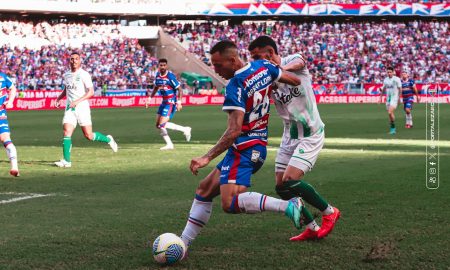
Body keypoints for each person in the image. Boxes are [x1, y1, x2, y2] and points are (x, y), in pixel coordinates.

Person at [180, 40, 304, 254]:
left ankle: (288, 206)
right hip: (250, 145)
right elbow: (294, 81)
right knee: (204, 189)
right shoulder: (264, 67)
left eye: (218, 65)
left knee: (229, 203)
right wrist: (271, 81)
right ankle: (182, 243)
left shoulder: (235, 86)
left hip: (246, 149)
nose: (215, 70)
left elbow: (234, 130)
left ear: (232, 60)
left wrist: (206, 157)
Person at [248, 36, 340, 241]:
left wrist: (277, 72)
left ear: (270, 53)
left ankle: (329, 212)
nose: (254, 61)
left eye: (256, 57)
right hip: (289, 135)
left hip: (310, 134)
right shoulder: (265, 78)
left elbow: (301, 61)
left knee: (291, 180)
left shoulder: (293, 61)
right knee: (281, 186)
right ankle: (312, 227)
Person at [54, 52, 118, 168]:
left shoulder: (84, 74)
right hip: (70, 108)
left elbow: (91, 92)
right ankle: (67, 161)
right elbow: (66, 89)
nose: (74, 61)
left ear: (80, 61)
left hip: (82, 108)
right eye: (72, 59)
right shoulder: (67, 75)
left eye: (76, 59)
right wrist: (59, 98)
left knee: (88, 135)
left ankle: (108, 139)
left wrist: (77, 101)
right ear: (69, 61)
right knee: (66, 132)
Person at [147, 59, 191, 150]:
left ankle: (180, 134)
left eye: (164, 65)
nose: (162, 67)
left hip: (171, 102)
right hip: (164, 102)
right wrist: (150, 98)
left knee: (162, 125)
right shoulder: (158, 76)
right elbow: (156, 87)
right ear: (158, 66)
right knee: (158, 125)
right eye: (161, 65)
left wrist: (179, 102)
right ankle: (180, 134)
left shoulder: (170, 76)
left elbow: (180, 90)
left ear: (166, 66)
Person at [0, 72, 19, 176]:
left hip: (0, 114)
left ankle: (14, 167)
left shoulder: (2, 77)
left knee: (5, 139)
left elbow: (12, 88)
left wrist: (11, 101)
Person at [380, 67, 402, 135]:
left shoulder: (397, 79)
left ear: (393, 72)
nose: (389, 73)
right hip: (388, 99)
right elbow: (383, 89)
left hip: (394, 98)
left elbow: (400, 88)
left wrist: (399, 98)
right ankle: (392, 127)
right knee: (390, 114)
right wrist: (380, 98)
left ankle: (393, 128)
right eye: (388, 72)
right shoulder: (385, 80)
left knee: (389, 112)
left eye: (390, 72)